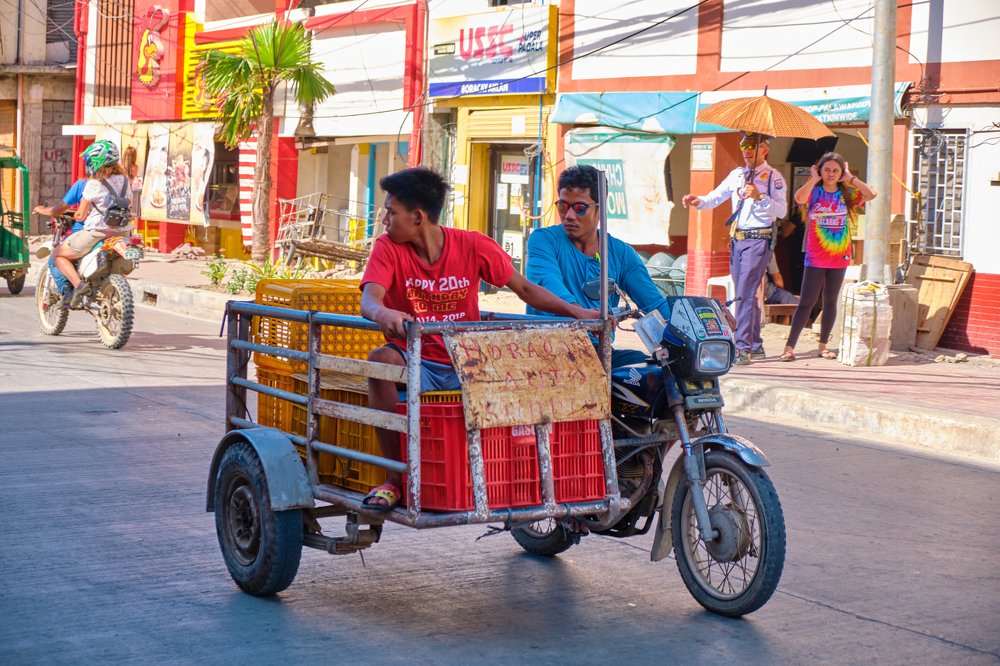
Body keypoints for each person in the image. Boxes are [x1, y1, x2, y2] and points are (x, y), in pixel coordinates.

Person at [359, 167, 600, 511]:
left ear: (417, 217)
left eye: (390, 212)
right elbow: (370, 299)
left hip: (466, 361)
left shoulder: (473, 245)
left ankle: (519, 476)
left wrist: (577, 313)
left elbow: (526, 289)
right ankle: (395, 478)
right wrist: (384, 314)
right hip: (415, 359)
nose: (384, 220)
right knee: (379, 361)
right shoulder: (388, 248)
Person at [524, 164, 670, 367]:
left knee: (652, 373)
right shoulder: (543, 240)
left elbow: (655, 304)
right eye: (563, 206)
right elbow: (548, 284)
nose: (569, 216)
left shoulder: (621, 253)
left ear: (600, 209)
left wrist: (701, 318)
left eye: (580, 209)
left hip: (598, 353)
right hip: (546, 353)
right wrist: (579, 312)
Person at [682, 132, 788, 364]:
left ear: (765, 149)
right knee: (745, 293)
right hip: (737, 239)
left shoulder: (773, 177)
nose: (747, 149)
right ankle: (756, 344)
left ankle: (742, 347)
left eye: (753, 145)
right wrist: (697, 201)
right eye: (744, 144)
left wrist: (760, 196)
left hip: (759, 240)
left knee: (744, 294)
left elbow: (781, 211)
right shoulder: (737, 174)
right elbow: (715, 197)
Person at [778, 152, 876, 361]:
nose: (831, 174)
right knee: (807, 301)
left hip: (839, 256)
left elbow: (871, 194)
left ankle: (823, 346)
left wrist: (850, 178)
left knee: (830, 301)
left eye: (835, 170)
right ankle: (789, 347)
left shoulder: (846, 194)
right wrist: (813, 179)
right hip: (815, 255)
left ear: (841, 172)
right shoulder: (815, 192)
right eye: (827, 170)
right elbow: (799, 198)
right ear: (820, 170)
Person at [52, 140, 133, 307]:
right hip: (123, 232)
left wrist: (76, 215)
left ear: (95, 162)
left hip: (97, 233)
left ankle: (78, 286)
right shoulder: (125, 181)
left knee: (58, 254)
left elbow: (81, 215)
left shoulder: (94, 184)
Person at [33, 178, 87, 294]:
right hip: (119, 232)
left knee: (55, 257)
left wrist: (41, 209)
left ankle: (67, 292)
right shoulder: (123, 182)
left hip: (88, 233)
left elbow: (62, 210)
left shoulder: (87, 185)